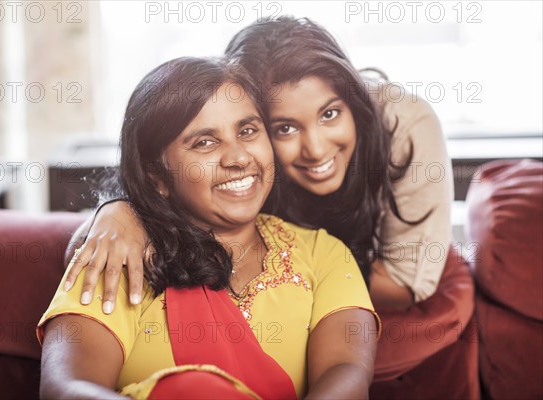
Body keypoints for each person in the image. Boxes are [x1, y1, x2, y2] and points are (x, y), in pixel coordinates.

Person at [38, 57, 379, 399]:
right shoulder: (120, 256)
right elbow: (66, 388)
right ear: (157, 175)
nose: (239, 158)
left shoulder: (324, 254)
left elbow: (346, 373)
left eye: (247, 131)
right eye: (205, 142)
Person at [63, 16, 452, 313]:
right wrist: (119, 211)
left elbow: (404, 283)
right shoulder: (240, 156)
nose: (316, 149)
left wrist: (312, 273)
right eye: (284, 128)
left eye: (331, 113)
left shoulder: (401, 121)